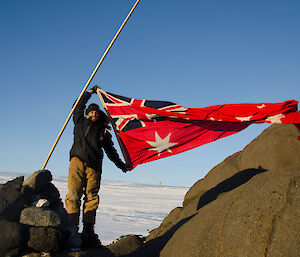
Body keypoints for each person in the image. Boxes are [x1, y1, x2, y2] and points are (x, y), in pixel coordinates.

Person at [65, 85, 129, 246]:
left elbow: (111, 151)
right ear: (87, 114)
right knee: (73, 194)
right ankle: (72, 226)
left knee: (91, 197)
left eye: (96, 112)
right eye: (91, 112)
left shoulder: (103, 132)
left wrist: (121, 165)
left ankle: (88, 228)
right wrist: (89, 93)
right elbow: (78, 105)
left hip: (94, 166)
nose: (93, 113)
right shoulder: (79, 122)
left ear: (99, 115)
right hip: (77, 161)